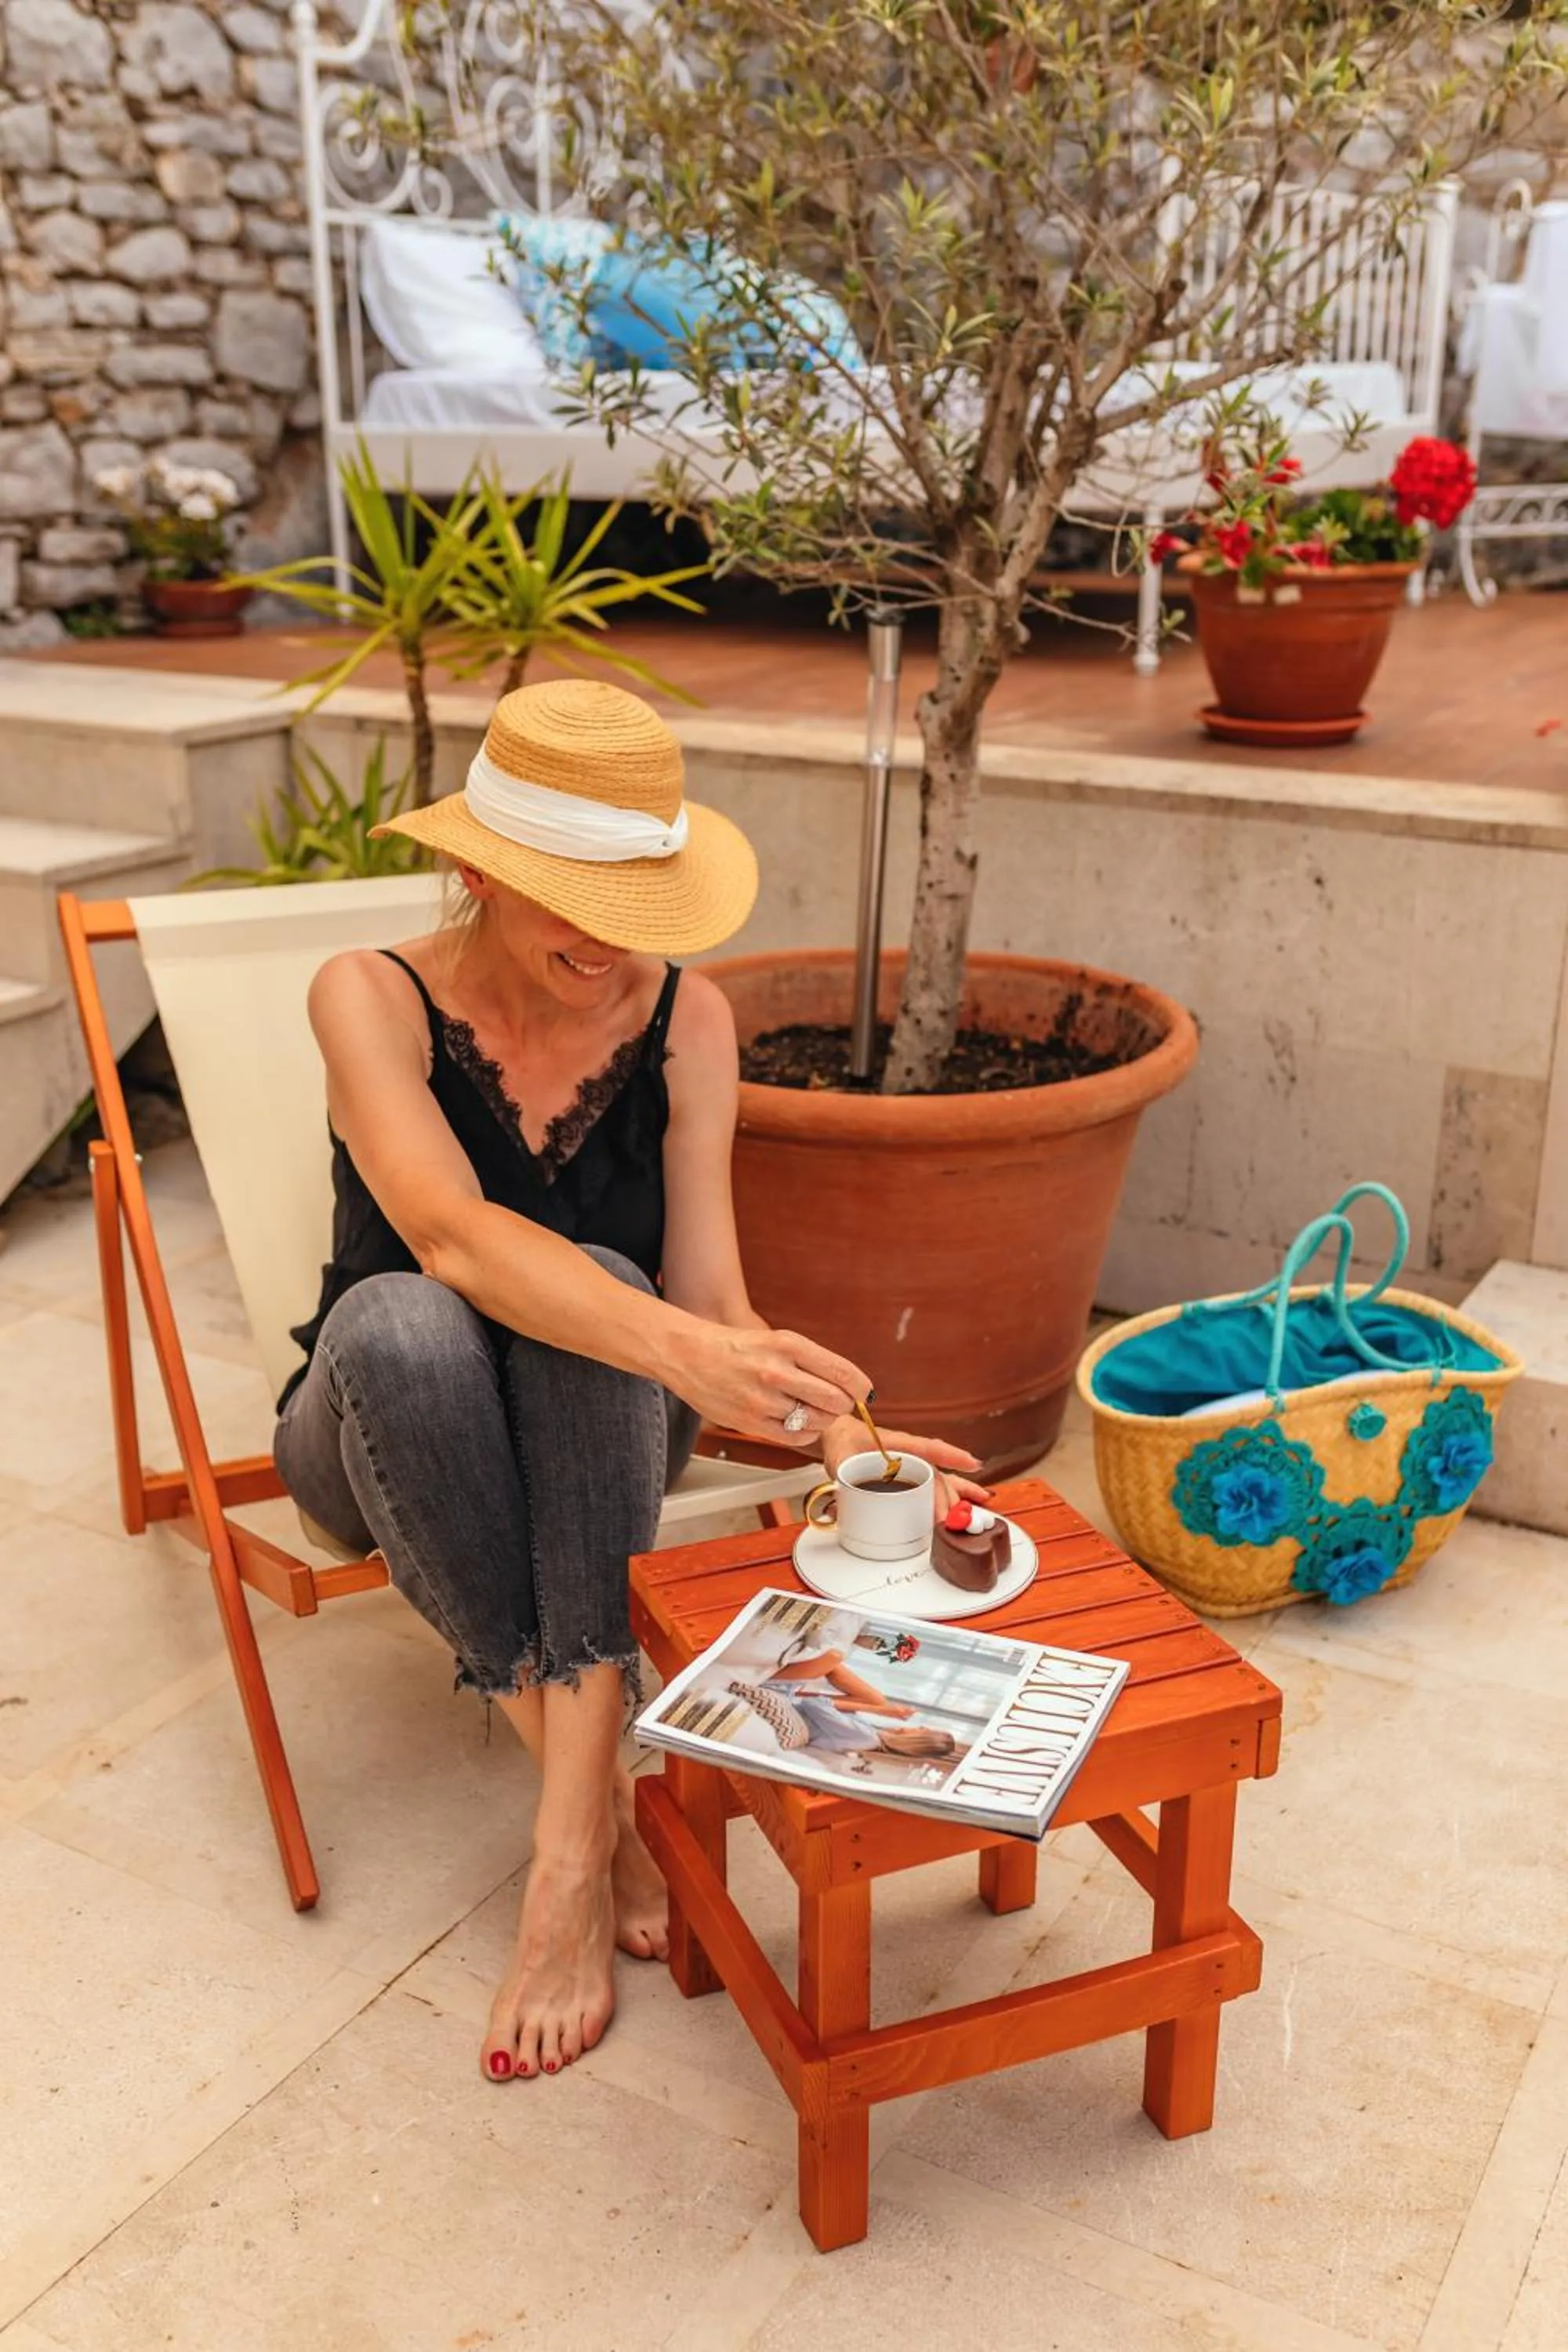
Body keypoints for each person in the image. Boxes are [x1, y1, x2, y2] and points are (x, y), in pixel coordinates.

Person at [273, 678, 990, 2088]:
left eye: (635, 902)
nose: (607, 944)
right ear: (477, 866)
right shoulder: (367, 993)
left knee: (606, 1273)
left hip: (598, 1418)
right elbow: (447, 1232)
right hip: (374, 1423)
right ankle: (592, 1822)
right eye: (567, 898)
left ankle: (566, 1834)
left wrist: (846, 1434)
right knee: (412, 1320)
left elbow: (712, 1301)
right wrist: (672, 1341)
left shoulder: (689, 1026)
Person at [756, 1645, 962, 1771]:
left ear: (918, 1740)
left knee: (833, 1657)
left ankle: (821, 1653)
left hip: (784, 1697)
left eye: (923, 1731)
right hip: (795, 1702)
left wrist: (882, 1711)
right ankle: (821, 1654)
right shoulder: (872, 1738)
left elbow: (814, 1704)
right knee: (877, 1699)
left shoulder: (866, 1738)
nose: (920, 1728)